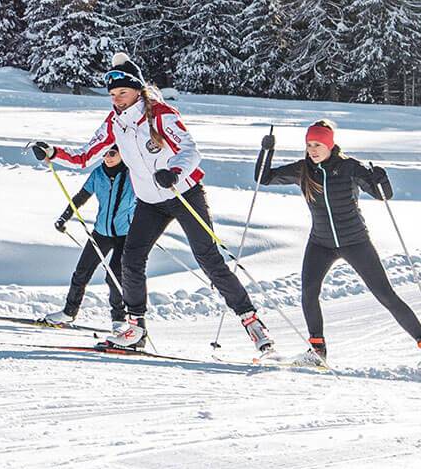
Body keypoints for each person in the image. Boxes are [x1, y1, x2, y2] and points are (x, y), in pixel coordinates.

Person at [30, 57, 278, 356]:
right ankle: (135, 328)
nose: (116, 99)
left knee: (207, 257)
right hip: (149, 201)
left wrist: (174, 171)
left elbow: (191, 151)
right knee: (130, 260)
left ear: (137, 90)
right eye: (111, 94)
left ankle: (251, 320)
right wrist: (53, 152)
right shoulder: (115, 122)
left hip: (182, 193)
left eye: (122, 93)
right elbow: (85, 155)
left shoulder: (160, 115)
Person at [259, 120, 421, 378]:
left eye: (317, 145)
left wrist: (382, 179)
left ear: (329, 144)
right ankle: (317, 351)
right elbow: (264, 178)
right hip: (321, 242)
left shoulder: (349, 167)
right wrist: (267, 151)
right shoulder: (303, 170)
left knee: (386, 296)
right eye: (308, 145)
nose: (312, 150)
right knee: (308, 293)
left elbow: (383, 194)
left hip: (355, 241)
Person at [42, 145, 136, 326]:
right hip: (101, 232)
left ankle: (118, 321)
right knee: (81, 273)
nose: (107, 157)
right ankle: (69, 312)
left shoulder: (132, 175)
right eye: (104, 154)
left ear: (122, 153)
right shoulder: (98, 174)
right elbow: (81, 197)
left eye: (112, 153)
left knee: (114, 277)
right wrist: (64, 217)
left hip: (124, 234)